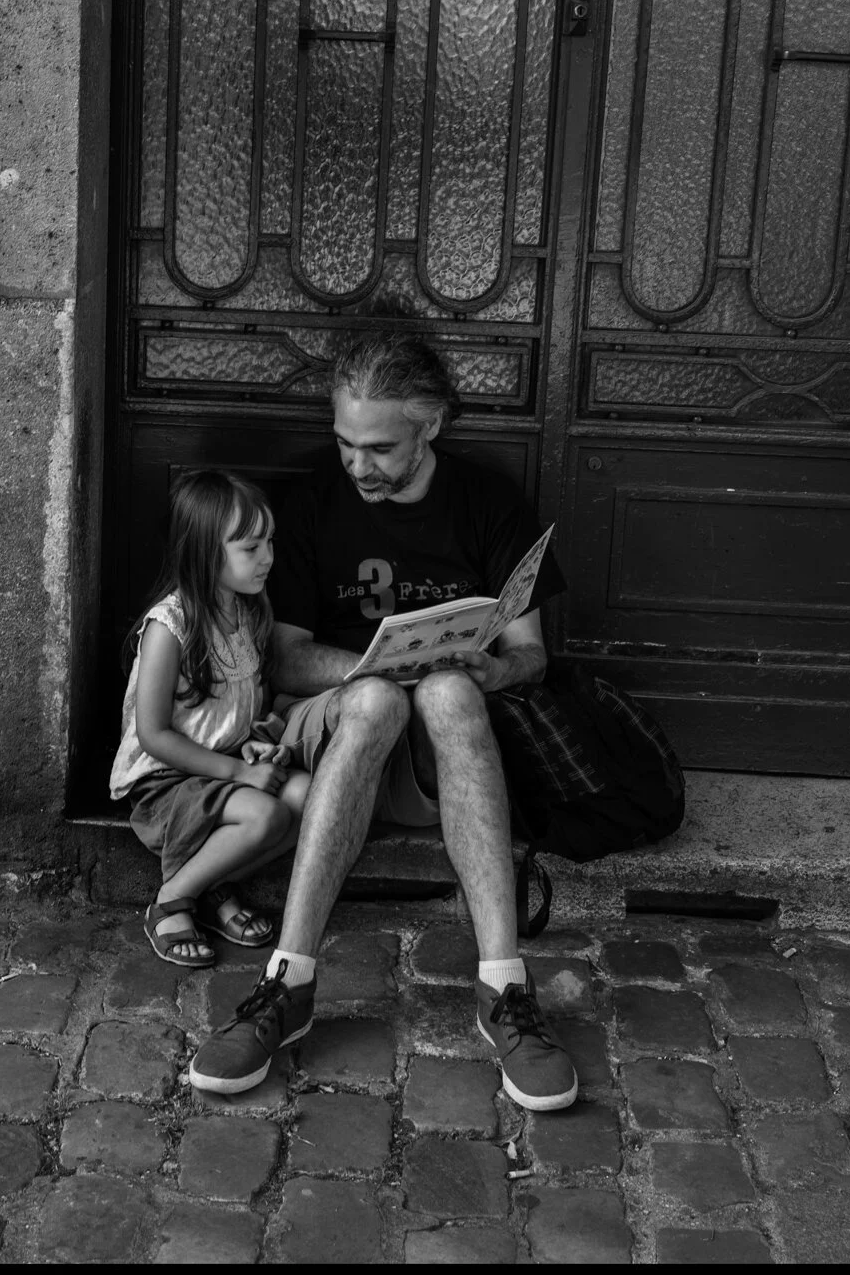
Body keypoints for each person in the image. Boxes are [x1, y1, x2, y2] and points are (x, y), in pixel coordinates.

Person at [188, 326, 579, 1111]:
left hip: (452, 753)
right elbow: (290, 659)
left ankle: (503, 987)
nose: (357, 464)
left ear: (429, 424)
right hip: (350, 734)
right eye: (344, 442)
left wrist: (497, 666)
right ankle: (286, 982)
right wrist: (377, 666)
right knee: (380, 696)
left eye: (378, 447)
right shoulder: (312, 505)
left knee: (448, 691)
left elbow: (532, 653)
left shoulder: (487, 502)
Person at [110, 470, 311, 968]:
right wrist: (242, 772)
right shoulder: (169, 627)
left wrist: (254, 744)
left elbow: (235, 714)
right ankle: (171, 901)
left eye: (270, 541)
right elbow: (154, 735)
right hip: (167, 781)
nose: (267, 556)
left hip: (219, 772)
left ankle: (213, 884)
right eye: (250, 547)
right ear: (205, 552)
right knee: (266, 812)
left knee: (309, 795)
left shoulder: (248, 615)